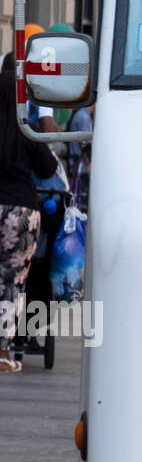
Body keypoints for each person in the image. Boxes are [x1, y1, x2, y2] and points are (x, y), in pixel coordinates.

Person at [0, 53, 57, 372]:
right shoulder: (27, 128)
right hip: (20, 211)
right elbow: (48, 167)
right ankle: (3, 351)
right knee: (12, 281)